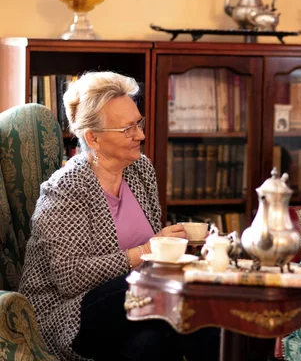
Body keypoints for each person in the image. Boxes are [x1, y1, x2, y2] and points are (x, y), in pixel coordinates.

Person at [19, 71, 220, 361]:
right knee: (157, 296)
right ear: (93, 138)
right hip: (67, 313)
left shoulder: (141, 170)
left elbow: (150, 244)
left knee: (156, 342)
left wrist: (171, 246)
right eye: (128, 129)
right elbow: (70, 278)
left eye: (138, 123)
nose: (141, 134)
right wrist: (148, 250)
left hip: (133, 311)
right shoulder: (66, 188)